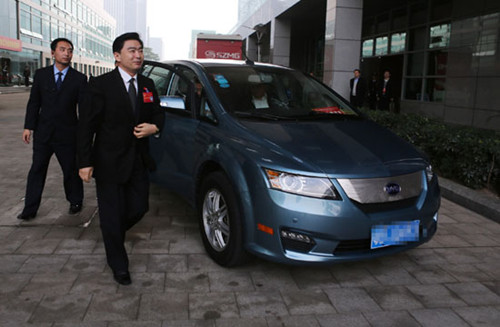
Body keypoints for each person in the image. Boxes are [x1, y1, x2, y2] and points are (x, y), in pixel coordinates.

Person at [77, 32, 164, 286]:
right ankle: (118, 264)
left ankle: (111, 232)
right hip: (108, 162)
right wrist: (84, 161)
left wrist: (155, 127)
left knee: (139, 207)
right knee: (112, 214)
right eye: (131, 51)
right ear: (117, 56)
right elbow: (86, 126)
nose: (138, 55)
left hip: (138, 160)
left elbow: (159, 113)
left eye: (140, 50)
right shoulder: (100, 85)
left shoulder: (147, 84)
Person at [18, 38, 86, 221]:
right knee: (37, 170)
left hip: (68, 134)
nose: (66, 53)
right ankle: (29, 209)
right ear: (53, 53)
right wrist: (28, 127)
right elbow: (34, 103)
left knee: (71, 170)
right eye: (62, 49)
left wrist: (83, 134)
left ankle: (75, 201)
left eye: (70, 50)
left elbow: (85, 109)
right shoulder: (41, 75)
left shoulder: (79, 79)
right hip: (44, 133)